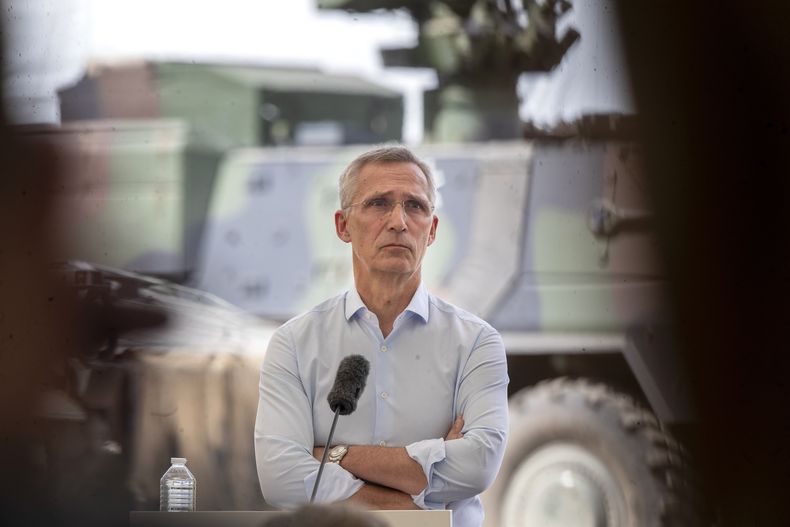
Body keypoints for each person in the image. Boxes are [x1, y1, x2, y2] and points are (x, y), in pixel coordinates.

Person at [254, 145, 509, 527]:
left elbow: (479, 465)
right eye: (377, 204)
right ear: (343, 226)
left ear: (433, 230)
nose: (398, 222)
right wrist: (406, 498)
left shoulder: (476, 343)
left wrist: (332, 454)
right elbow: (279, 477)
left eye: (415, 207)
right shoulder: (294, 344)